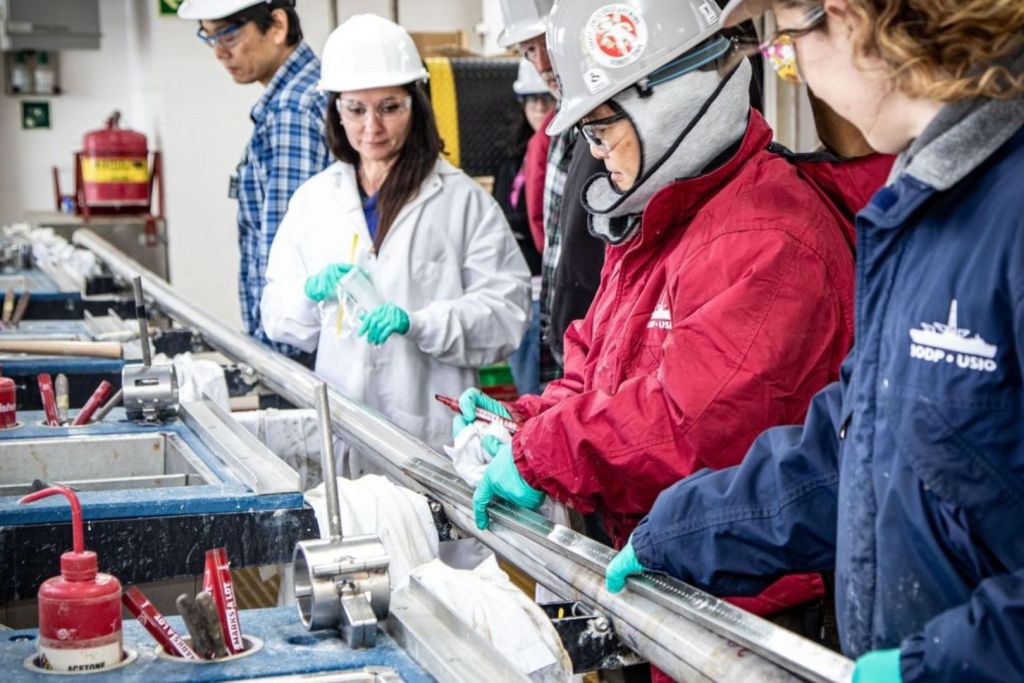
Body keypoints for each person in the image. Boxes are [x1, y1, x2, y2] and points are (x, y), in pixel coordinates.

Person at [605, 1, 1024, 681]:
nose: (795, 70)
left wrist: (944, 664)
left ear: (852, 16)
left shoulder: (1005, 212)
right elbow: (855, 447)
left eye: (789, 43)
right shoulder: (921, 206)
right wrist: (680, 532)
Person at [459, 0, 891, 633]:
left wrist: (547, 452)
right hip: (655, 580)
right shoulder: (658, 222)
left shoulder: (770, 233)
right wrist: (527, 422)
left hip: (743, 610)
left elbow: (695, 424)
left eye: (602, 129)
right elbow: (594, 370)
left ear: (668, 103)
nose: (598, 153)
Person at [261, 14, 531, 471]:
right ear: (335, 110)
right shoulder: (314, 202)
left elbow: (507, 316)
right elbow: (280, 322)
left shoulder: (462, 201)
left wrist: (419, 322)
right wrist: (309, 296)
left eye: (390, 107)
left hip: (429, 438)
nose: (372, 127)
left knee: (430, 540)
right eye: (355, 109)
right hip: (341, 433)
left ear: (416, 104)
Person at [176, 0, 329, 365]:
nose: (219, 52)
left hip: (296, 349)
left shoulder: (292, 110)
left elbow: (285, 248)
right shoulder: (301, 96)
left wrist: (270, 354)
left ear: (277, 25)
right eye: (208, 37)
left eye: (228, 33)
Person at [497, 0, 608, 387]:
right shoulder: (558, 133)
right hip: (568, 346)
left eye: (550, 41)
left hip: (607, 354)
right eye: (529, 50)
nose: (542, 64)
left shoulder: (616, 128)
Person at [494, 60, 555, 397]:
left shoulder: (566, 151)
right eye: (532, 101)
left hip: (545, 288)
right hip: (517, 286)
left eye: (545, 101)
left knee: (540, 388)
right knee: (526, 385)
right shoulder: (513, 159)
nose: (538, 109)